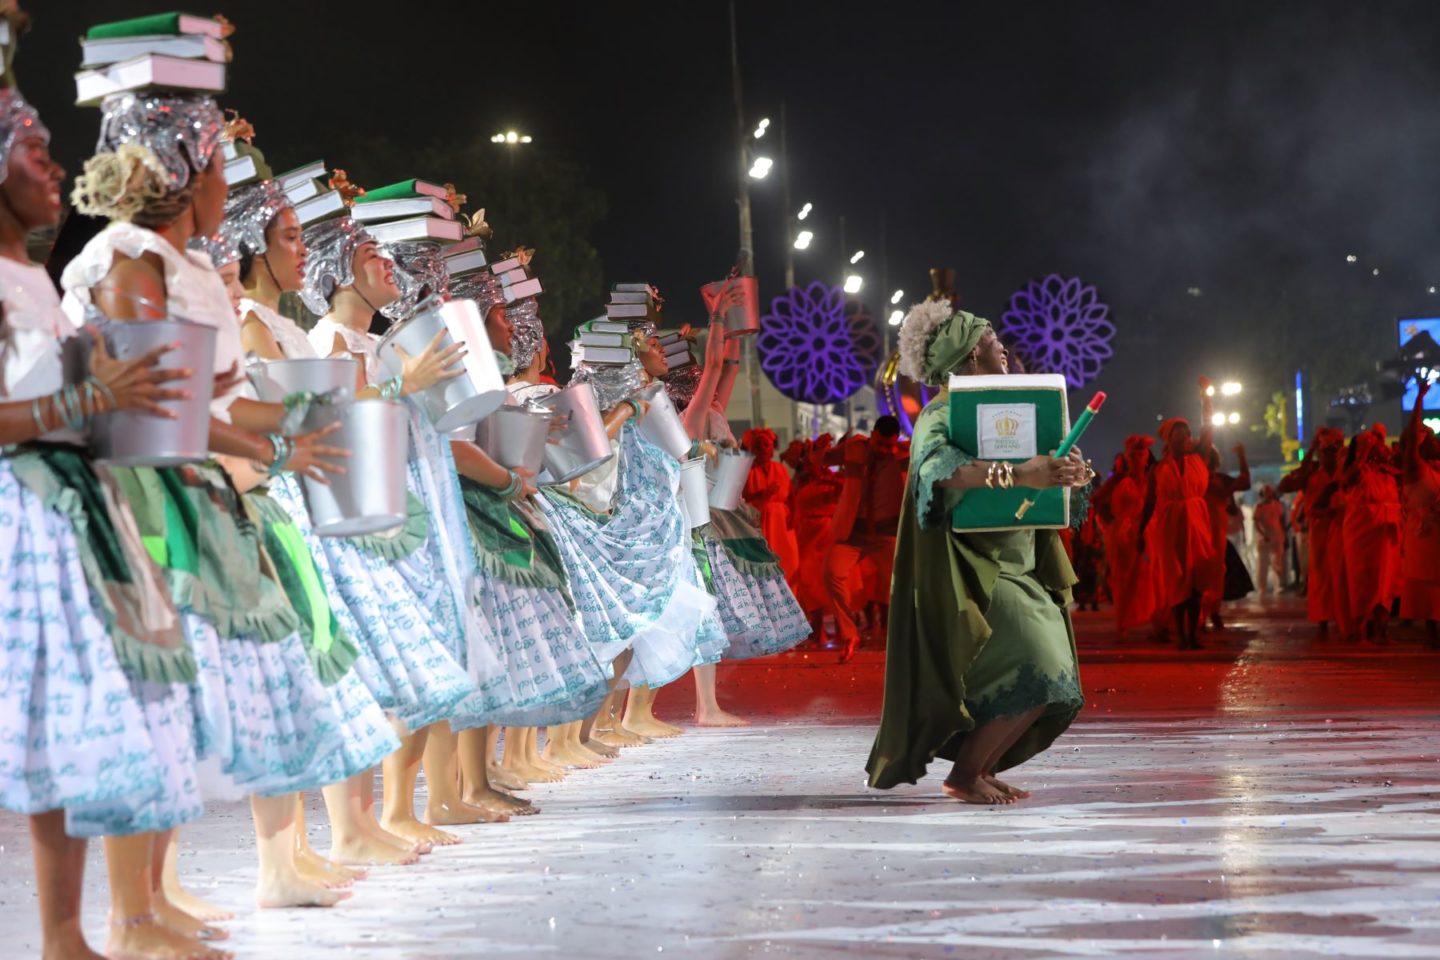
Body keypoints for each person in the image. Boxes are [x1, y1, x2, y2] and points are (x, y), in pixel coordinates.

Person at [866, 302, 1088, 804]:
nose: (1004, 350)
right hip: (971, 567)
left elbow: (1046, 475)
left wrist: (1069, 473)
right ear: (966, 357)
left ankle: (978, 768)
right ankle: (964, 774)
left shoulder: (1020, 410)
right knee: (1038, 661)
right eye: (991, 344)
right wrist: (1024, 473)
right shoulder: (940, 414)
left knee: (1054, 674)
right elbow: (941, 473)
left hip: (1022, 559)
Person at [1138, 380, 1219, 650]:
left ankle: (1192, 633)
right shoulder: (1158, 470)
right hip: (1169, 526)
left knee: (1195, 578)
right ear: (1169, 438)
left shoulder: (1200, 458)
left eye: (1188, 434)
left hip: (1197, 523)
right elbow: (1149, 502)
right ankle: (1181, 635)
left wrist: (1206, 400)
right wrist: (1140, 532)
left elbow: (1208, 429)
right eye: (1181, 435)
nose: (1187, 438)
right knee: (1175, 579)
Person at [822, 416, 908, 663]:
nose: (883, 450)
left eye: (888, 446)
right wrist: (818, 451)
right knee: (831, 574)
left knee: (905, 584)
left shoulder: (903, 455)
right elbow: (824, 460)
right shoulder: (855, 448)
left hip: (887, 534)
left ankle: (906, 636)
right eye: (879, 444)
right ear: (872, 434)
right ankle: (850, 634)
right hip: (853, 533)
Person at [1279, 428, 1346, 634]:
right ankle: (1323, 620)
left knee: (1343, 574)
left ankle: (1345, 620)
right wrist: (1310, 450)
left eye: (1333, 450)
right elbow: (1285, 485)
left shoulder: (1347, 473)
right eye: (1324, 451)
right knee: (1321, 575)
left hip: (1343, 529)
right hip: (1319, 531)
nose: (1329, 455)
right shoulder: (1311, 475)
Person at [1341, 426, 1402, 643]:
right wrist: (1364, 452)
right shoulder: (1356, 470)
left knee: (1386, 578)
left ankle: (1382, 625)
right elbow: (1347, 479)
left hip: (1386, 530)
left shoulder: (1388, 472)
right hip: (1362, 530)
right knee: (1362, 576)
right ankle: (1361, 623)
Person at [1096, 437, 1156, 638]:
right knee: (1124, 578)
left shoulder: (1151, 479)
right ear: (1128, 457)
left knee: (1150, 576)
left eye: (1141, 454)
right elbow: (1096, 499)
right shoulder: (1118, 479)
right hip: (1122, 533)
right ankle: (1122, 624)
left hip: (1148, 530)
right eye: (1134, 455)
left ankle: (1156, 620)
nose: (1138, 458)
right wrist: (1112, 523)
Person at [1400, 377, 1440, 645]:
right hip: (1423, 533)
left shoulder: (1436, 470)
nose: (1437, 441)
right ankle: (1432, 629)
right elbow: (1413, 436)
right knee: (1429, 582)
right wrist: (1419, 399)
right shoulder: (1416, 469)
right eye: (1432, 437)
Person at [740, 426, 799, 580]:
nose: (762, 449)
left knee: (787, 558)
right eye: (758, 446)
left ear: (773, 448)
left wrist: (794, 514)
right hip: (759, 520)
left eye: (766, 445)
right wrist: (760, 495)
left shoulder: (780, 468)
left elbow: (791, 495)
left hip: (781, 520)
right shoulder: (746, 470)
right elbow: (740, 497)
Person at [1253, 485, 1289, 598]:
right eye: (1266, 492)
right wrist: (1263, 534)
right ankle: (1261, 587)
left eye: (1270, 492)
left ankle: (1277, 586)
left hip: (1277, 537)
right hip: (1264, 540)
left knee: (1277, 562)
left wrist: (1284, 535)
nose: (1269, 494)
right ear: (1262, 494)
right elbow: (1256, 523)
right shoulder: (1259, 507)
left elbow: (1281, 521)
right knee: (1263, 564)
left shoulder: (1278, 505)